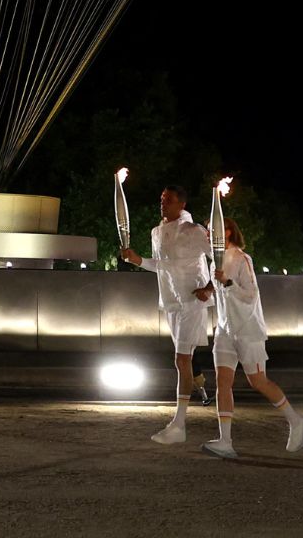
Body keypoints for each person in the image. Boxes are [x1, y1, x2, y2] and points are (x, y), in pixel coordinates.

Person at [198, 218, 303, 458]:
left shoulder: (242, 259)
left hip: (248, 330)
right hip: (225, 331)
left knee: (258, 381)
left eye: (213, 229)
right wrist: (208, 290)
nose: (209, 233)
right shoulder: (213, 263)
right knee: (222, 383)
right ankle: (225, 441)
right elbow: (220, 292)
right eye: (208, 230)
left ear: (227, 232)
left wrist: (228, 283)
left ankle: (296, 420)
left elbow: (250, 295)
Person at [119, 183, 214, 442]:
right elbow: (160, 266)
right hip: (170, 302)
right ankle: (182, 423)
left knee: (182, 361)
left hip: (192, 302)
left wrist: (209, 287)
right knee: (183, 361)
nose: (163, 203)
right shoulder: (156, 232)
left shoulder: (195, 231)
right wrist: (137, 260)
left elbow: (221, 257)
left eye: (169, 199)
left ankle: (179, 425)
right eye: (162, 199)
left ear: (182, 204)